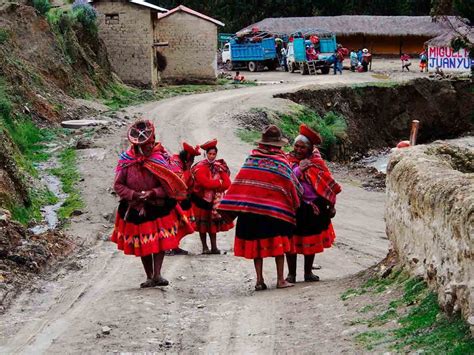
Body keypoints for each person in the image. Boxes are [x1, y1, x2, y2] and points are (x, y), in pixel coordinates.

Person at [218, 125, 302, 291]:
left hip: (251, 212)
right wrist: (296, 202)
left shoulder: (252, 159)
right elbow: (293, 187)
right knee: (279, 244)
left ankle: (259, 280)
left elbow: (240, 183)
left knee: (257, 247)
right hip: (275, 212)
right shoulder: (281, 162)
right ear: (278, 145)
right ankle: (280, 280)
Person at [111, 120, 193, 288]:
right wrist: (133, 195)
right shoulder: (127, 161)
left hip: (158, 205)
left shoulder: (160, 158)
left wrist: (153, 193)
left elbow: (170, 184)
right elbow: (118, 185)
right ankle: (149, 276)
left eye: (151, 143)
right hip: (136, 207)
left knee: (160, 240)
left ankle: (158, 274)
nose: (150, 147)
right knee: (143, 242)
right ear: (138, 145)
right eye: (147, 145)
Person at [285, 124, 341, 283]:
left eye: (302, 147)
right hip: (294, 206)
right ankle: (291, 274)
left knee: (311, 239)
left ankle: (308, 272)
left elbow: (327, 184)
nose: (298, 149)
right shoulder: (289, 160)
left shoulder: (316, 162)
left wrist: (332, 205)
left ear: (309, 149)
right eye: (296, 146)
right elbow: (286, 180)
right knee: (292, 240)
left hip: (315, 207)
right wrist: (299, 170)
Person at [191, 139, 233, 254]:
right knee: (202, 224)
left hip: (213, 200)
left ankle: (214, 247)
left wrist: (215, 185)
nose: (212, 156)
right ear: (206, 154)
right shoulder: (200, 167)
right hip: (201, 199)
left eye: (214, 154)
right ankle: (205, 247)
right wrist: (219, 183)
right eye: (210, 154)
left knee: (212, 223)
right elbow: (205, 183)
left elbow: (228, 183)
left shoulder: (219, 166)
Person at [167, 142, 201, 256]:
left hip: (179, 199)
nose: (192, 161)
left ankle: (174, 246)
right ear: (188, 157)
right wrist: (187, 168)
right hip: (171, 199)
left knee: (178, 223)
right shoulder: (176, 164)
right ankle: (169, 246)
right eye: (192, 158)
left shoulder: (180, 163)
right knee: (172, 223)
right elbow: (182, 184)